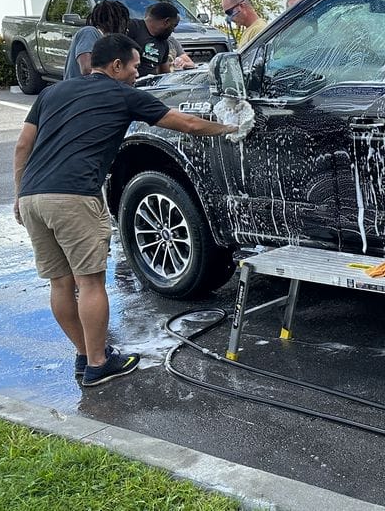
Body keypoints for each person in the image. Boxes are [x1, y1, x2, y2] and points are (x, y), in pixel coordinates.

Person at [13, 34, 237, 387]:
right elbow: (189, 124)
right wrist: (231, 127)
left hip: (32, 197)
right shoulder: (123, 94)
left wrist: (19, 195)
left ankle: (86, 356)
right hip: (74, 197)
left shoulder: (52, 93)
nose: (137, 73)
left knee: (60, 283)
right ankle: (99, 363)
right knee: (89, 282)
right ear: (116, 66)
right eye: (134, 66)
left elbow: (23, 146)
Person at [64, 0, 130, 80]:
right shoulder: (89, 32)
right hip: (81, 87)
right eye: (124, 23)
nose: (126, 29)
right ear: (115, 21)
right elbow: (87, 69)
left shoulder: (106, 41)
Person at [126, 1, 179, 78]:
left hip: (150, 84)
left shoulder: (164, 43)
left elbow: (165, 74)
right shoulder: (132, 27)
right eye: (173, 25)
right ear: (166, 22)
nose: (173, 30)